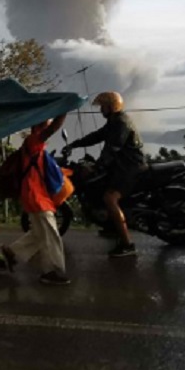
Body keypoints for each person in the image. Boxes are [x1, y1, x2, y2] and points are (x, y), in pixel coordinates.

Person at [62, 91, 147, 258]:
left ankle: (127, 244)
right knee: (101, 188)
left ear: (111, 106)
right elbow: (97, 136)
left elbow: (112, 149)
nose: (101, 109)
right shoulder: (114, 122)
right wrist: (75, 144)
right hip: (122, 167)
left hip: (130, 168)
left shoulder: (121, 123)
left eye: (103, 106)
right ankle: (111, 227)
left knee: (110, 198)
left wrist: (97, 167)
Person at [1, 114, 70, 285]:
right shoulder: (34, 141)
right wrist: (65, 110)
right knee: (51, 234)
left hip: (33, 195)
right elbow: (53, 128)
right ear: (40, 126)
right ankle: (52, 270)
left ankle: (12, 252)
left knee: (39, 234)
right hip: (36, 196)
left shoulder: (33, 144)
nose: (48, 124)